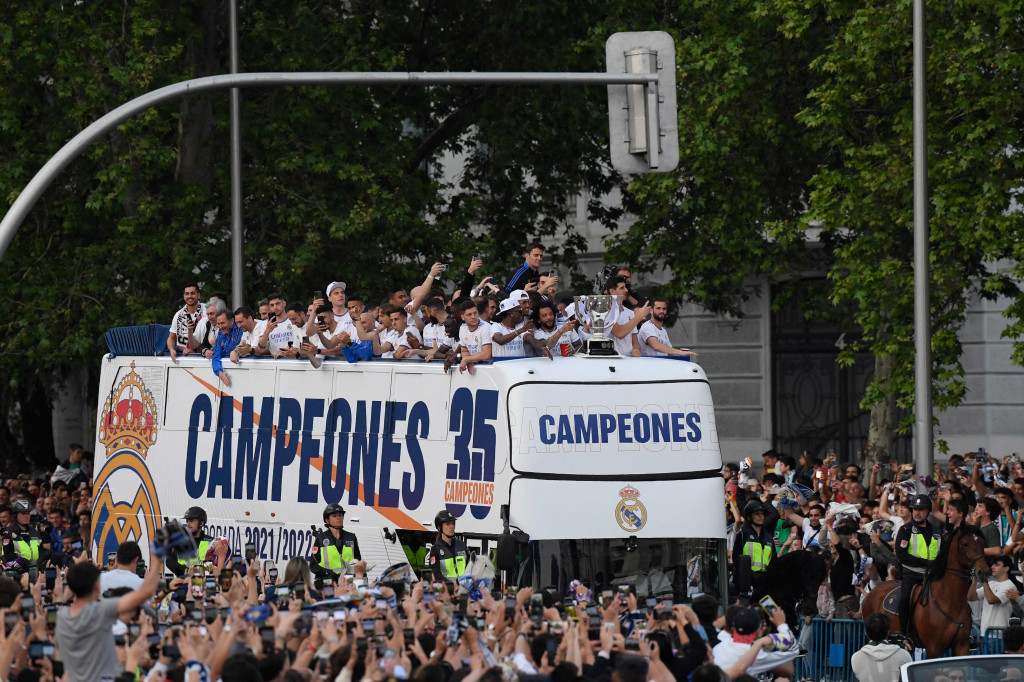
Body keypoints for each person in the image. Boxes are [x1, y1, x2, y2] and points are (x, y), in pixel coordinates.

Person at [56, 555, 162, 682]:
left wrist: (76, 572)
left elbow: (60, 602)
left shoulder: (60, 617)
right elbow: (147, 591)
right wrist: (157, 558)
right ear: (96, 586)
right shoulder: (101, 610)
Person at [894, 494, 942, 636]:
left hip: (933, 575)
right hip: (912, 574)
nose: (917, 513)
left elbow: (943, 554)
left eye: (921, 510)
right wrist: (926, 563)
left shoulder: (937, 531)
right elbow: (901, 555)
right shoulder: (905, 530)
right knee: (904, 600)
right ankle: (905, 634)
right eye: (915, 509)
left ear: (928, 511)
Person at [732, 500, 777, 598]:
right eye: (757, 514)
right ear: (749, 517)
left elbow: (773, 561)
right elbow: (736, 559)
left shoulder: (769, 537)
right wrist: (751, 575)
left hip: (764, 583)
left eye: (762, 514)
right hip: (746, 584)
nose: (761, 516)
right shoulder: (743, 535)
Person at [851, 612, 913, 682]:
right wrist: (909, 654)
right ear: (888, 632)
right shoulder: (904, 655)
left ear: (866, 633)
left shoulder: (855, 658)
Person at [309, 504, 361, 587]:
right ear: (327, 520)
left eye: (340, 515)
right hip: (327, 580)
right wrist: (327, 572)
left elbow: (358, 561)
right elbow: (313, 566)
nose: (338, 518)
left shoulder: (351, 537)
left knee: (349, 599)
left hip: (347, 581)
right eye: (334, 516)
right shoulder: (320, 538)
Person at [969, 555, 1016, 634]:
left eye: (997, 565)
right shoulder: (990, 583)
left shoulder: (1010, 586)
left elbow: (991, 600)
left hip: (998, 636)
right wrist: (974, 579)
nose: (992, 567)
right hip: (984, 633)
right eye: (992, 565)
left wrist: (984, 580)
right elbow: (971, 597)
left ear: (1006, 568)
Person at [165, 506, 215, 577]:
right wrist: (186, 570)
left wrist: (199, 572)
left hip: (205, 584)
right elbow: (170, 562)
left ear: (201, 523)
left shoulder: (211, 542)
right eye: (187, 521)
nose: (188, 524)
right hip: (183, 582)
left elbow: (216, 565)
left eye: (191, 521)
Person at [167, 283, 204, 362]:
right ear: (184, 296)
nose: (189, 296)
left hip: (203, 357)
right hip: (182, 357)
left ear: (198, 295)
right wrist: (171, 349)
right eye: (187, 294)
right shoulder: (178, 315)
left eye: (192, 293)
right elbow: (171, 338)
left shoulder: (207, 311)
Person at [428, 510, 467, 582]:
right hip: (447, 591)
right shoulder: (435, 549)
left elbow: (469, 567)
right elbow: (435, 574)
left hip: (464, 590)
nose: (451, 527)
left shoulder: (462, 545)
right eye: (447, 524)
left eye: (453, 523)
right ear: (439, 527)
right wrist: (451, 585)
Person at [2, 499, 42, 567]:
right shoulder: (8, 532)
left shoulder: (34, 532)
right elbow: (7, 556)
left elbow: (40, 552)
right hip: (15, 571)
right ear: (15, 515)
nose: (27, 516)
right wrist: (17, 564)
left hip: (35, 569)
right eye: (23, 513)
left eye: (28, 513)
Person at [210, 309, 242, 385]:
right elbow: (216, 356)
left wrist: (225, 351)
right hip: (231, 376)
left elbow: (233, 348)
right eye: (218, 324)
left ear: (231, 321)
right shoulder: (221, 334)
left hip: (241, 372)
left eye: (222, 323)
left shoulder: (238, 329)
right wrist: (219, 372)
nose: (220, 327)